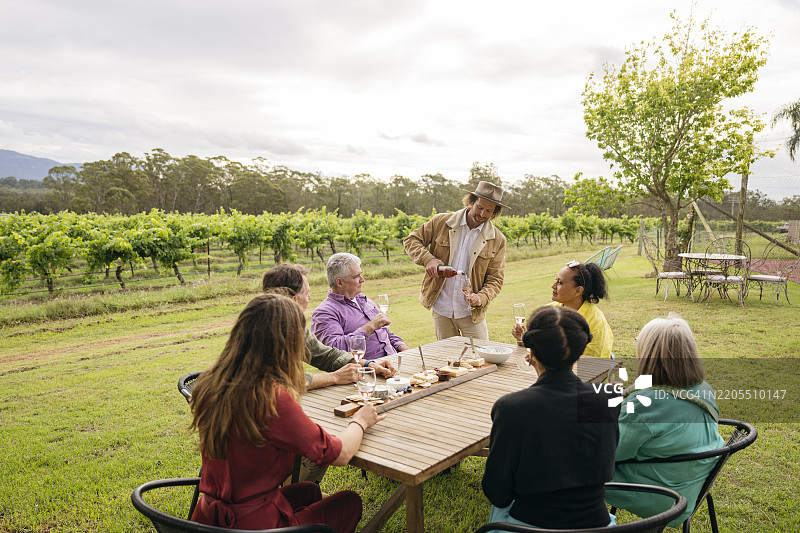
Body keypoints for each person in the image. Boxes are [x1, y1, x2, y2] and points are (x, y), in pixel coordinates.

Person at [189, 293, 386, 532]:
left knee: (309, 490)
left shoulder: (211, 383)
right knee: (349, 502)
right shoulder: (270, 397)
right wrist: (360, 421)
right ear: (287, 343)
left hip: (208, 516)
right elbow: (340, 454)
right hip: (253, 525)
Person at [482, 305, 619, 530]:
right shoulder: (609, 398)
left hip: (530, 525)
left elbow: (498, 492)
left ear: (531, 353)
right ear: (579, 350)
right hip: (597, 525)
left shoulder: (511, 408)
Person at [606, 313, 725, 527]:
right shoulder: (703, 389)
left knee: (571, 469)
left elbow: (608, 454)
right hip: (693, 484)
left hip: (664, 496)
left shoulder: (647, 405)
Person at [262, 263, 396, 390]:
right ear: (294, 299)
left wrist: (368, 365)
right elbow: (284, 381)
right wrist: (335, 377)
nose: (309, 297)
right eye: (306, 293)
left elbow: (325, 355)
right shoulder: (264, 330)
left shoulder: (290, 323)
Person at [403, 181, 508, 340]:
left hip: (471, 313)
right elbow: (411, 240)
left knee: (481, 359)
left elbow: (495, 279)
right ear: (471, 201)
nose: (482, 214)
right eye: (479, 207)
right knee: (449, 362)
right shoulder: (441, 222)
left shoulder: (497, 239)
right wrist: (428, 260)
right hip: (442, 310)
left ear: (494, 212)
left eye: (488, 211)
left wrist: (481, 297)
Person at [312, 253, 411, 359]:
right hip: (368, 370)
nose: (362, 279)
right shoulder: (325, 313)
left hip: (393, 359)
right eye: (356, 276)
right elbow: (333, 350)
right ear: (340, 283)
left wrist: (401, 346)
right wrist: (370, 326)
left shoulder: (364, 301)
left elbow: (384, 332)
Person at [512, 260, 613, 358]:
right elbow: (537, 350)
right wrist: (522, 340)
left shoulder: (596, 322)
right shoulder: (548, 311)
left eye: (560, 283)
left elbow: (593, 363)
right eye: (555, 280)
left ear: (578, 291)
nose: (553, 286)